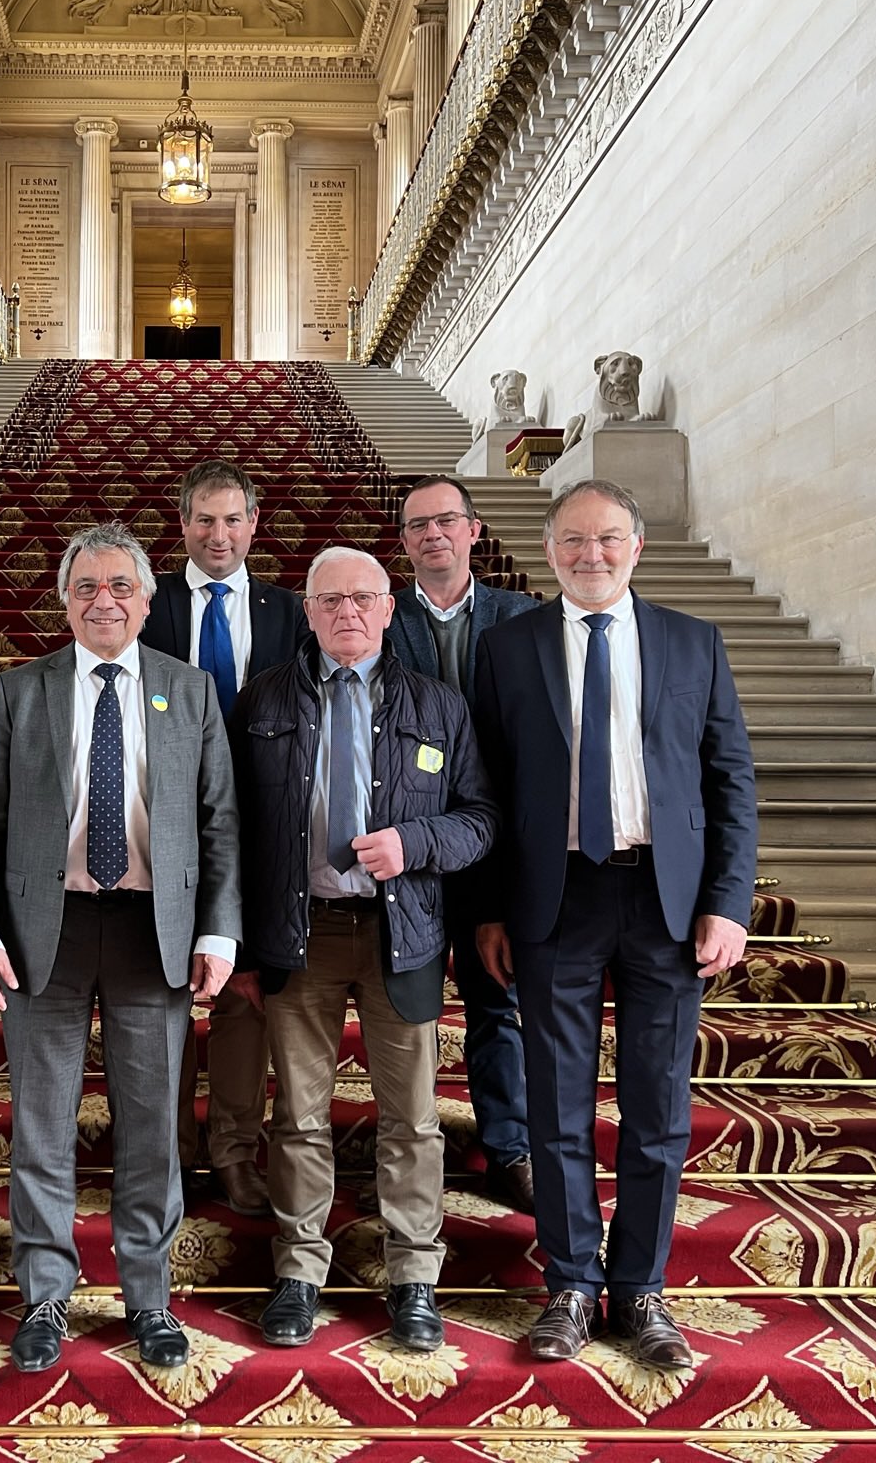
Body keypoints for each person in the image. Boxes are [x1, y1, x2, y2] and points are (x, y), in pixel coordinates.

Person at [470, 478, 758, 1370]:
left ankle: (641, 1288)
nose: (589, 555)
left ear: (637, 546)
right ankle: (569, 1284)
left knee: (656, 1106)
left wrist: (728, 901)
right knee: (557, 1103)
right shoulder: (507, 648)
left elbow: (730, 780)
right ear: (548, 548)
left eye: (608, 539)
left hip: (666, 903)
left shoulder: (692, 644)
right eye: (571, 540)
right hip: (556, 899)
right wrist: (486, 910)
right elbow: (482, 788)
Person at [0, 522, 242, 1374]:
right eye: (87, 587)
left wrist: (218, 928)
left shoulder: (189, 692)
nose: (104, 600)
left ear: (148, 601)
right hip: (46, 933)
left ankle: (148, 1298)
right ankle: (46, 1294)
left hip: (157, 930)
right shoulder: (19, 691)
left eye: (121, 586)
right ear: (64, 599)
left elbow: (221, 821)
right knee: (41, 1124)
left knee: (151, 1128)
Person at [228, 546, 497, 1354]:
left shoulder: (439, 705)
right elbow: (229, 830)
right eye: (330, 599)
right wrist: (238, 942)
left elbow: (480, 820)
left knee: (412, 1119)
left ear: (389, 610)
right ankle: (299, 1272)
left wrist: (414, 841)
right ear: (306, 612)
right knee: (299, 1115)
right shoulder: (260, 701)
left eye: (364, 598)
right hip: (297, 933)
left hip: (401, 934)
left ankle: (414, 1276)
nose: (348, 612)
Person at [138, 460, 306, 1218]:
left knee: (246, 997)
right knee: (161, 990)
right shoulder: (145, 601)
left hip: (265, 832)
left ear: (253, 525)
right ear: (181, 525)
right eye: (204, 519)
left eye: (233, 519)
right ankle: (167, 1153)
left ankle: (236, 1150)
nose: (218, 534)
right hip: (161, 824)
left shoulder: (287, 612)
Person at [384, 475, 539, 1215]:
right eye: (418, 526)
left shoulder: (524, 617)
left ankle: (510, 1145)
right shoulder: (378, 619)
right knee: (404, 1008)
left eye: (446, 521)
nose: (433, 535)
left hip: (493, 843)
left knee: (495, 1000)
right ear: (405, 541)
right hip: (406, 848)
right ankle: (407, 1144)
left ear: (474, 531)